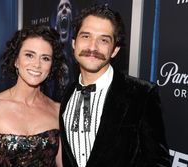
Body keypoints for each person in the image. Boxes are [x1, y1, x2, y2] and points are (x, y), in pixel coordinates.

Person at [59, 4, 171, 167]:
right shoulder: (67, 94)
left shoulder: (142, 94)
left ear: (115, 50)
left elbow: (158, 162)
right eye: (86, 36)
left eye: (103, 40)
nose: (92, 47)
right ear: (74, 43)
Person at [0, 25, 63, 167]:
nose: (37, 64)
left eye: (45, 58)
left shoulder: (58, 110)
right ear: (16, 61)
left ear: (51, 66)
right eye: (29, 55)